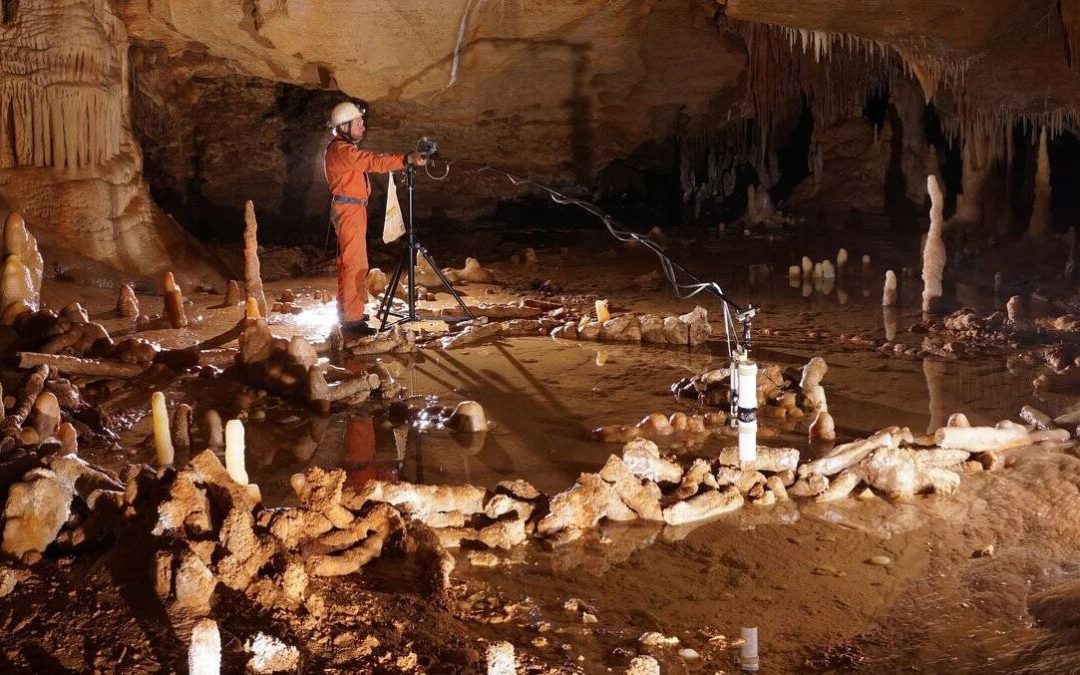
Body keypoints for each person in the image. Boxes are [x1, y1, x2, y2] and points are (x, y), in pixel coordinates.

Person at [324, 101, 427, 336]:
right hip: (349, 210)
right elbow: (373, 162)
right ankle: (352, 319)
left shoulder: (339, 149)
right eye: (358, 123)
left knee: (348, 262)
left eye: (362, 122)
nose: (363, 126)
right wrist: (405, 159)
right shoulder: (342, 150)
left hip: (350, 208)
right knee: (355, 264)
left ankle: (347, 310)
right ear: (344, 127)